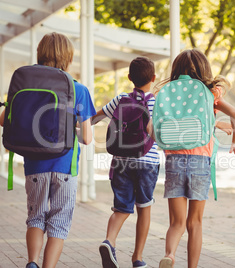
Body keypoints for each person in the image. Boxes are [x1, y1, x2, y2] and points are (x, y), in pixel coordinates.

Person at [0, 32, 96, 268]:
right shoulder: (77, 89)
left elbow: (3, 121)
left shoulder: (26, 83)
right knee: (59, 222)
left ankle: (32, 262)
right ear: (68, 58)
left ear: (40, 54)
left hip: (34, 166)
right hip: (65, 167)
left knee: (36, 217)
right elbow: (87, 139)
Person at [156, 49, 235, 268]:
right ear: (204, 69)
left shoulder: (168, 92)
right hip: (200, 162)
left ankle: (169, 254)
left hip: (174, 161)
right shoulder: (210, 92)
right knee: (194, 223)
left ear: (176, 70)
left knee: (176, 223)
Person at [92, 56, 160, 268]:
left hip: (120, 162)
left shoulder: (120, 99)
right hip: (146, 162)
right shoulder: (156, 102)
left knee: (121, 209)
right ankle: (137, 258)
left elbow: (94, 118)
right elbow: (158, 133)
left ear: (129, 77)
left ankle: (109, 241)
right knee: (144, 208)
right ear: (154, 78)